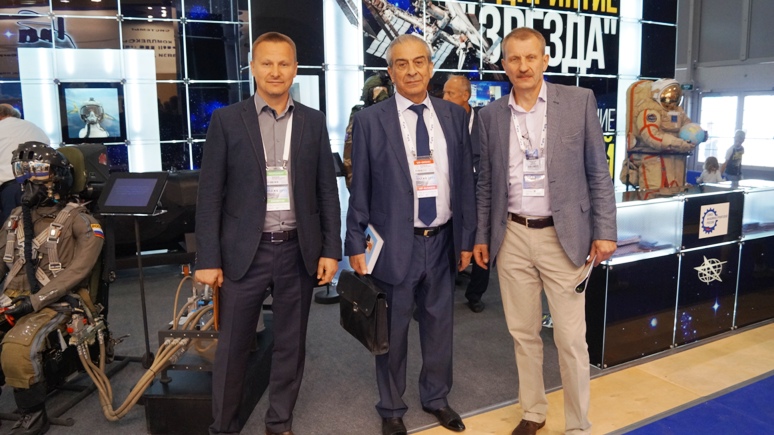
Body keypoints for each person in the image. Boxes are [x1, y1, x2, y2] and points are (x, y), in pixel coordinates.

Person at [194, 32, 341, 435]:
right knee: (233, 349)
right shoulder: (227, 120)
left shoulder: (313, 121)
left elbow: (326, 191)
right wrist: (208, 258)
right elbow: (209, 195)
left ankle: (279, 424)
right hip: (245, 253)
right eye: (267, 63)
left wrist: (331, 249)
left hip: (298, 251)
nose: (275, 71)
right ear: (253, 67)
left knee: (291, 347)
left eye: (283, 63)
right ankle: (223, 428)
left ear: (295, 69)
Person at [473, 28, 617, 435]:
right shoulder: (490, 116)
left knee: (570, 339)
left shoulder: (577, 101)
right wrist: (482, 235)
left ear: (545, 59)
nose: (523, 66)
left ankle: (578, 424)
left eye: (531, 57)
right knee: (523, 334)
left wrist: (605, 229)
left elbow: (598, 171)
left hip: (564, 236)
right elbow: (485, 183)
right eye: (514, 59)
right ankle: (533, 411)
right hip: (512, 236)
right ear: (504, 65)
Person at [345, 34, 476, 435]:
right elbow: (360, 187)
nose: (412, 71)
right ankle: (391, 408)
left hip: (443, 241)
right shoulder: (370, 121)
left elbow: (465, 184)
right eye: (402, 64)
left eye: (419, 62)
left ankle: (436, 398)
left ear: (431, 68)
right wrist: (355, 242)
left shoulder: (453, 117)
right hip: (394, 244)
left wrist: (467, 239)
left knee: (439, 327)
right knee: (393, 331)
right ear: (391, 72)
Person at [0, 141, 104, 435]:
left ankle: (33, 415)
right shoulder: (16, 218)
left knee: (17, 346)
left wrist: (33, 303)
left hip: (59, 301)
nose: (28, 180)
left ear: (59, 177)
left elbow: (78, 271)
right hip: (14, 297)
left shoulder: (81, 221)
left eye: (38, 172)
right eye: (22, 171)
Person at [442, 74, 488, 313]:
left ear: (466, 96)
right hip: (449, 193)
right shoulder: (439, 120)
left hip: (479, 192)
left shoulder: (484, 122)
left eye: (450, 93)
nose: (444, 98)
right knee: (445, 241)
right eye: (444, 92)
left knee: (481, 240)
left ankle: (475, 294)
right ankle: (440, 293)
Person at [619, 79, 699, 190]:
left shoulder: (679, 113)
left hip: (676, 162)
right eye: (668, 97)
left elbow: (689, 128)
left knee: (676, 192)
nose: (672, 101)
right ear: (657, 95)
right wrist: (679, 144)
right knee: (653, 194)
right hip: (654, 162)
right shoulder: (650, 113)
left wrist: (698, 135)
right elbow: (651, 136)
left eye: (675, 97)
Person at [0, 104, 50, 224]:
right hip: (43, 187)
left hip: (12, 189)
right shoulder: (35, 128)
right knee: (40, 227)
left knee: (12, 230)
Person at [342, 72, 393, 188]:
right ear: (368, 93)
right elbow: (349, 158)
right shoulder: (360, 117)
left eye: (385, 90)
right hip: (370, 183)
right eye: (378, 91)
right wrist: (355, 188)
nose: (383, 95)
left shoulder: (395, 115)